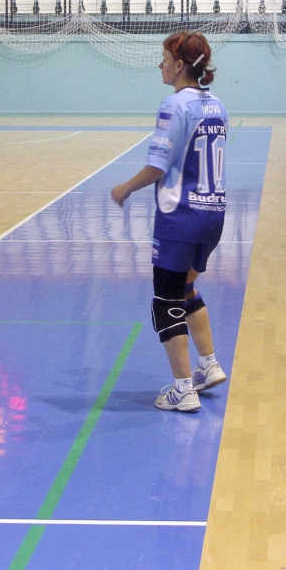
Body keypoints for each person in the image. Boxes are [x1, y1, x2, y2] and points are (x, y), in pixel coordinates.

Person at [111, 31, 229, 412]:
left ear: (179, 65)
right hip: (213, 216)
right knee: (186, 289)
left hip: (181, 218)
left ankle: (183, 390)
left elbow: (158, 166)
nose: (159, 65)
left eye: (164, 58)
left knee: (165, 301)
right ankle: (209, 365)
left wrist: (125, 188)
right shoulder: (218, 106)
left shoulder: (174, 105)